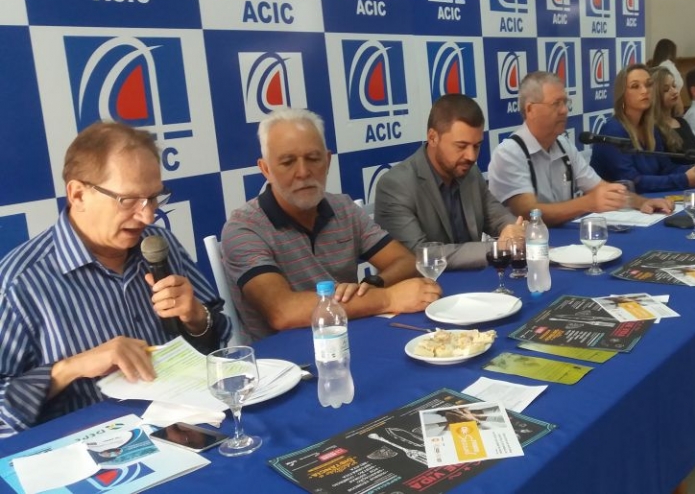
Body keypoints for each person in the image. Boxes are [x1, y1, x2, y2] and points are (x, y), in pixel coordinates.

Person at [0, 122, 230, 438]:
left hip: (190, 427)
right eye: (128, 200)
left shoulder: (159, 244)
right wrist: (70, 368)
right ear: (78, 194)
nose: (147, 216)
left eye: (153, 198)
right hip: (95, 449)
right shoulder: (19, 284)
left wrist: (195, 318)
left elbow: (218, 339)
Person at [221, 108, 441, 341]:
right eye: (287, 162)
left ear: (327, 161)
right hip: (285, 357)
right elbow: (283, 312)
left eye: (313, 159)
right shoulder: (243, 228)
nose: (303, 172)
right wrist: (387, 298)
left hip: (352, 338)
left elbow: (404, 261)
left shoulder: (342, 207)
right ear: (265, 169)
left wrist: (373, 284)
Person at [487, 71, 674, 227]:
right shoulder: (509, 153)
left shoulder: (563, 145)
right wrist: (587, 203)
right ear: (530, 109)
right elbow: (528, 212)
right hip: (529, 249)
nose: (564, 110)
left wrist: (643, 202)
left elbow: (601, 188)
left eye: (565, 103)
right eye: (556, 104)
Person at [375, 94, 524, 270]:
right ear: (432, 138)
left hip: (472, 278)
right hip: (424, 283)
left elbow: (498, 216)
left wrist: (513, 231)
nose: (471, 156)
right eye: (461, 146)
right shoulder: (395, 185)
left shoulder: (470, 173)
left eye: (476, 146)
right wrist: (496, 249)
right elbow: (418, 254)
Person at [590, 64, 695, 193]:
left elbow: (666, 168)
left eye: (649, 84)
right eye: (635, 86)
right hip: (617, 203)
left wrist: (694, 169)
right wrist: (684, 179)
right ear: (622, 95)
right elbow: (632, 182)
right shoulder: (613, 130)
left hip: (647, 200)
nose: (645, 90)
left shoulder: (650, 128)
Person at [649, 66, 695, 163]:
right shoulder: (653, 128)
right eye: (666, 90)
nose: (674, 92)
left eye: (674, 86)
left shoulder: (682, 122)